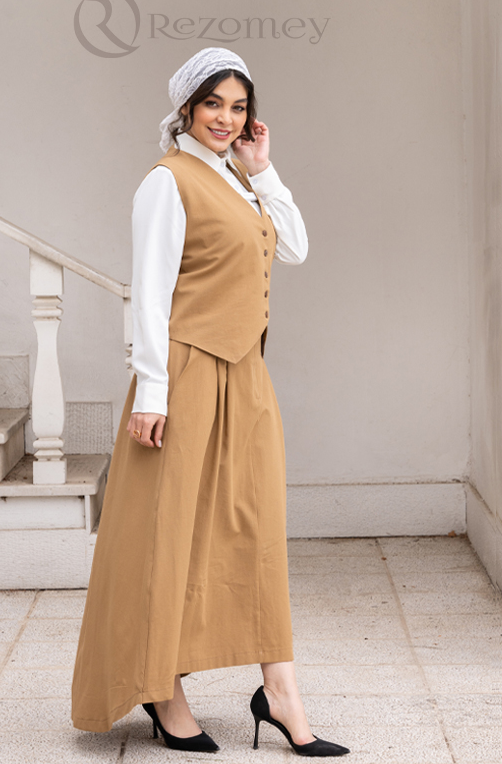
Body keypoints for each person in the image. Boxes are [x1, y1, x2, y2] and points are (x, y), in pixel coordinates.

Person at [71, 47, 350, 757]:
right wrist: (152, 390)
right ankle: (163, 689)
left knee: (254, 533)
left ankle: (280, 692)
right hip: (186, 376)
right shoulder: (167, 182)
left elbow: (295, 248)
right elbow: (149, 293)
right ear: (187, 108)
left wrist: (265, 170)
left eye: (238, 106)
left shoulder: (239, 179)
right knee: (167, 534)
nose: (227, 118)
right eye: (214, 104)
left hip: (245, 377)